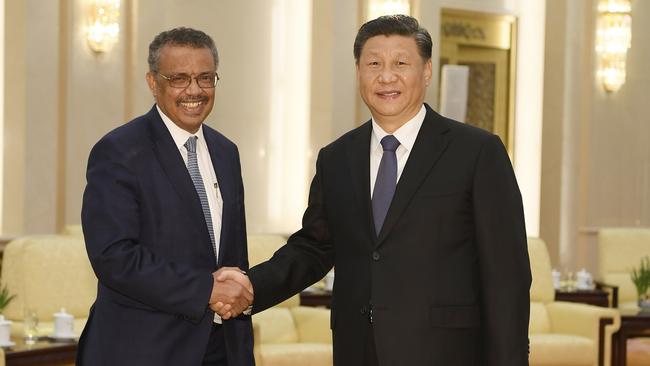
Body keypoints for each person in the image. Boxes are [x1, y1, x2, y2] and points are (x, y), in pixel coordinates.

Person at [217, 15, 531, 365]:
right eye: (374, 63)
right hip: (358, 349)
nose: (386, 76)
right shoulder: (336, 158)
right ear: (358, 72)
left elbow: (507, 277)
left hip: (445, 352)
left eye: (401, 63)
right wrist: (250, 287)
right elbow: (314, 247)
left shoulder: (476, 152)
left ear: (426, 71)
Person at [78, 27, 254, 366]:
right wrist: (205, 290)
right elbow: (113, 256)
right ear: (152, 82)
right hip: (144, 349)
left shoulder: (226, 152)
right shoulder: (118, 151)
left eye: (205, 78)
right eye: (179, 78)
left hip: (221, 349)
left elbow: (234, 255)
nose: (194, 90)